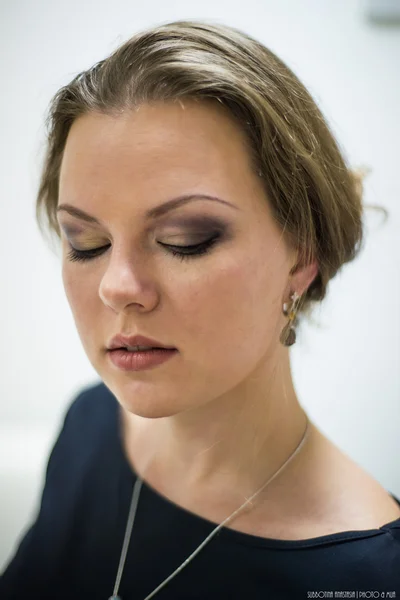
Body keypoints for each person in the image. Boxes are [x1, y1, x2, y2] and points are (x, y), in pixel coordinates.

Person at [1, 18, 399, 600]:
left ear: (301, 256)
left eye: (185, 239)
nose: (118, 286)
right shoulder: (89, 425)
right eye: (86, 242)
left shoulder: (367, 579)